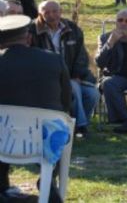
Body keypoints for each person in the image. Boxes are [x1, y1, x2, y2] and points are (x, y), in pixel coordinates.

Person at [0, 15, 71, 203]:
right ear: (29, 38)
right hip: (45, 139)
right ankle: (48, 179)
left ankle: (1, 185)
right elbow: (66, 102)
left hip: (2, 140)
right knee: (60, 125)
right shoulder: (54, 60)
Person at [31, 0, 99, 138]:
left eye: (55, 11)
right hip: (45, 79)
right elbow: (32, 57)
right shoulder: (32, 30)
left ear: (60, 12)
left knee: (93, 94)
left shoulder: (72, 28)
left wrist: (77, 74)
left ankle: (74, 126)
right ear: (40, 13)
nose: (51, 15)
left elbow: (81, 55)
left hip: (72, 75)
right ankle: (81, 126)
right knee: (73, 88)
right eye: (47, 12)